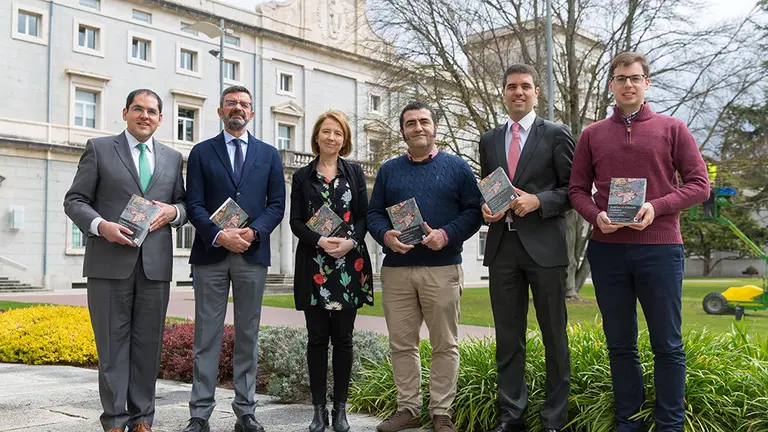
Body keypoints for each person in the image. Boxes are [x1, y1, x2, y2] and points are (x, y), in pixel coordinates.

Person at [568, 51, 709, 432]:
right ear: (611, 85)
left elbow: (700, 185)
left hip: (661, 249)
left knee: (668, 344)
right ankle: (627, 422)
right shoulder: (592, 134)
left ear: (647, 83)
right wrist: (595, 215)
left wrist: (658, 206)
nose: (627, 84)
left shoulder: (673, 128)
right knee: (620, 344)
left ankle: (669, 425)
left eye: (635, 78)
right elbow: (576, 190)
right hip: (608, 249)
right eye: (620, 78)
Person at [64, 89, 187, 432]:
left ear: (160, 118)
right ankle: (116, 421)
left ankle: (142, 420)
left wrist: (174, 212)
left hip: (155, 266)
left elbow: (184, 205)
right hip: (109, 262)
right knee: (112, 347)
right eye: (138, 109)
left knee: (148, 346)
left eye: (151, 111)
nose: (144, 115)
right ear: (125, 112)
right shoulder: (100, 149)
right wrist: (101, 226)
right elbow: (74, 200)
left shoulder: (173, 158)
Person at [367, 101, 482, 432]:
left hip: (442, 268)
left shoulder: (458, 168)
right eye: (411, 123)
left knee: (445, 343)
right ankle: (408, 408)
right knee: (402, 343)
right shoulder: (389, 170)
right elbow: (374, 213)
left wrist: (446, 235)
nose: (418, 128)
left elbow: (473, 212)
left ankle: (441, 412)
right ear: (402, 131)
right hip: (398, 268)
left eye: (424, 122)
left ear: (435, 127)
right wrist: (385, 235)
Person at [182, 85, 286, 432]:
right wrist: (218, 234)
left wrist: (253, 233)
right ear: (220, 111)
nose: (237, 108)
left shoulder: (269, 154)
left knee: (247, 334)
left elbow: (276, 205)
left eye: (244, 104)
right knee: (206, 335)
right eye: (231, 103)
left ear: (252, 113)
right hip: (211, 254)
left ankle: (246, 412)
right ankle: (199, 414)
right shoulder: (200, 152)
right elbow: (193, 203)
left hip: (251, 253)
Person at [478, 64, 575, 432]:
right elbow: (489, 188)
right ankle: (511, 417)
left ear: (536, 92)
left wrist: (538, 201)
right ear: (503, 92)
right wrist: (486, 208)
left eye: (525, 86)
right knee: (508, 337)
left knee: (554, 335)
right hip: (503, 248)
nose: (518, 92)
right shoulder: (489, 139)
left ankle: (553, 418)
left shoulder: (556, 134)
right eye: (511, 87)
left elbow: (572, 191)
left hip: (545, 249)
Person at [289, 110, 374, 432]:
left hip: (347, 266)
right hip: (315, 265)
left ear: (345, 139)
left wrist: (350, 242)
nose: (331, 137)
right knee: (316, 340)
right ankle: (318, 410)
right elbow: (295, 221)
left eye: (337, 133)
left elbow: (364, 216)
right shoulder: (302, 177)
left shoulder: (354, 173)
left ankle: (340, 411)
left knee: (343, 340)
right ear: (316, 136)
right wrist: (321, 239)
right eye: (326, 131)